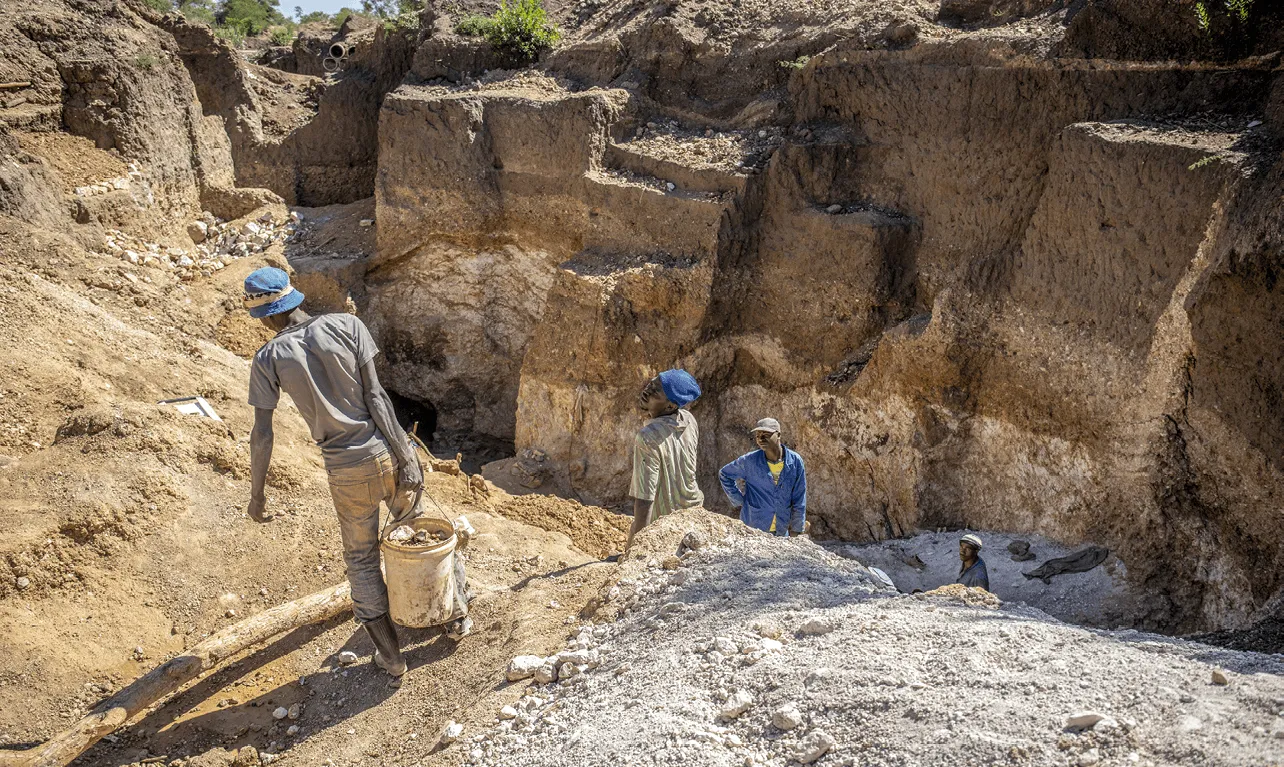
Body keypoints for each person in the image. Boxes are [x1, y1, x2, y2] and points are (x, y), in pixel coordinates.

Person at [243, 267, 423, 678]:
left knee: (361, 561)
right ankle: (453, 615)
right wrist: (406, 454)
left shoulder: (268, 358)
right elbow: (376, 397)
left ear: (265, 316)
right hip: (384, 455)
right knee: (416, 530)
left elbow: (262, 434)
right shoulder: (348, 325)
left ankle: (393, 659)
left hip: (345, 473)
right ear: (294, 298)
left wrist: (257, 495)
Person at [626, 369, 704, 550]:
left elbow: (645, 500)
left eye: (655, 391)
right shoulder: (689, 420)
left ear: (670, 407)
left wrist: (632, 551)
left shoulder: (648, 437)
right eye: (651, 383)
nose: (647, 390)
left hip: (665, 520)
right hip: (694, 511)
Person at [718, 418, 807, 537]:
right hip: (754, 528)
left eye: (766, 434)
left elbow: (799, 497)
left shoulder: (795, 461)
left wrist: (797, 529)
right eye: (758, 435)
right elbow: (724, 474)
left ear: (778, 435)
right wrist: (739, 500)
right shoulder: (749, 461)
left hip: (781, 530)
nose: (761, 439)